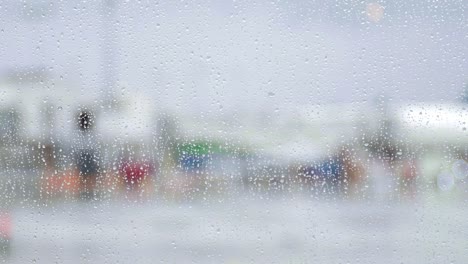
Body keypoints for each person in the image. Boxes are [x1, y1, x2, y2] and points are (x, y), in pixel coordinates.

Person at [75, 109, 100, 200]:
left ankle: (86, 191)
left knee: (85, 176)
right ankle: (89, 191)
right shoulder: (92, 134)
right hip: (87, 155)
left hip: (84, 155)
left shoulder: (78, 134)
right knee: (89, 177)